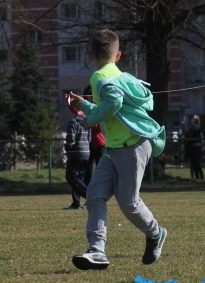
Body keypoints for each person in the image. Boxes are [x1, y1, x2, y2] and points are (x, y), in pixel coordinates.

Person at [68, 29, 167, 271]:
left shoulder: (99, 77)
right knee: (94, 195)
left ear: (90, 54)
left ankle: (155, 233)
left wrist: (89, 121)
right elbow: (113, 109)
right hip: (113, 150)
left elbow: (114, 103)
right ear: (119, 55)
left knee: (129, 203)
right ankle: (97, 250)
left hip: (133, 146)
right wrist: (86, 106)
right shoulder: (122, 77)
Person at [63, 99, 90, 210]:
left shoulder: (73, 121)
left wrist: (68, 147)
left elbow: (70, 139)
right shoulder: (88, 121)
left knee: (71, 177)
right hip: (86, 152)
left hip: (75, 153)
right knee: (78, 179)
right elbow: (90, 138)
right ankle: (76, 203)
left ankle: (89, 195)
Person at [81, 85, 106, 188]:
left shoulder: (99, 108)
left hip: (99, 143)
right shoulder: (86, 109)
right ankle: (88, 192)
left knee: (100, 168)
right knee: (87, 168)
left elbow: (98, 125)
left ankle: (100, 190)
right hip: (88, 143)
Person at [185, 115, 204, 180]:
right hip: (193, 147)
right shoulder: (193, 129)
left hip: (196, 148)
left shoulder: (197, 129)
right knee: (194, 163)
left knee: (196, 163)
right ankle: (197, 176)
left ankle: (200, 176)